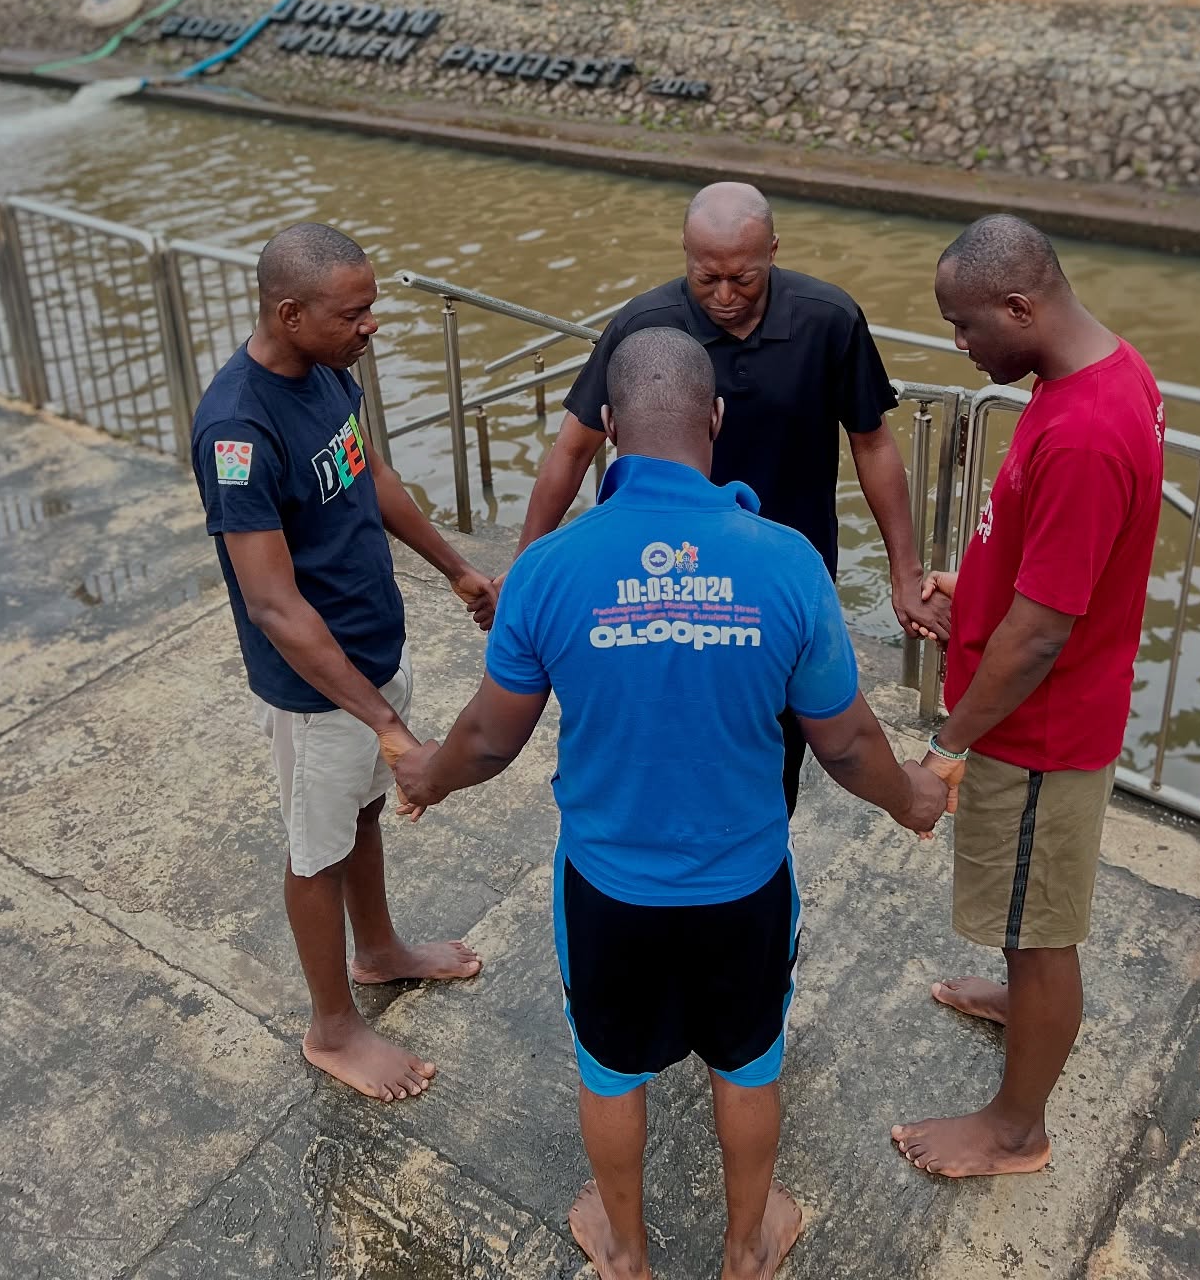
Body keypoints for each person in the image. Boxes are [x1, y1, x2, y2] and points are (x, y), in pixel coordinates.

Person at [396, 328, 949, 1280]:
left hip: (609, 886)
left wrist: (427, 777)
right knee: (749, 1060)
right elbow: (849, 742)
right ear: (717, 421)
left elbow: (490, 738)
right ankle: (747, 1246)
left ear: (607, 429)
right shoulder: (786, 565)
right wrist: (913, 799)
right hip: (744, 882)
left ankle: (626, 1251)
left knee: (610, 1069)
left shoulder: (549, 571)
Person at [515, 180, 946, 815]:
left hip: (787, 580)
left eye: (742, 278)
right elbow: (572, 450)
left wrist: (903, 572)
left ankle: (764, 863)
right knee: (669, 728)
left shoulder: (828, 321)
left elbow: (874, 444)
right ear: (684, 256)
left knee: (781, 744)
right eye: (705, 277)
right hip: (664, 583)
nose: (723, 297)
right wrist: (525, 570)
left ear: (773, 250)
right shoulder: (644, 329)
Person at [191, 221, 499, 1103]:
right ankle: (331, 1027)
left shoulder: (329, 375)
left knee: (364, 814)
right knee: (317, 848)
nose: (372, 327)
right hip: (317, 688)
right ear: (290, 313)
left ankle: (379, 951)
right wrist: (385, 721)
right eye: (353, 314)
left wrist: (457, 568)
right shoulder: (237, 432)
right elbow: (274, 605)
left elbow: (373, 478)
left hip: (372, 649)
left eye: (373, 309)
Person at [891, 214, 1164, 1179]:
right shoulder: (1098, 372)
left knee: (1040, 929)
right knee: (1021, 918)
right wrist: (972, 597)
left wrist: (947, 749)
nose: (957, 347)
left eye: (965, 327)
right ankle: (1019, 999)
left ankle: (1017, 1130)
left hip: (1038, 733)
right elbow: (1060, 573)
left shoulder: (1088, 431)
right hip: (1038, 700)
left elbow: (1044, 633)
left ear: (1020, 305)